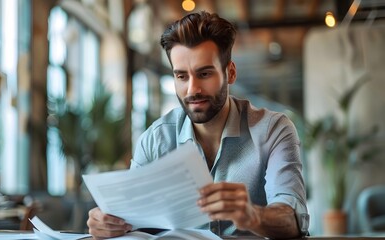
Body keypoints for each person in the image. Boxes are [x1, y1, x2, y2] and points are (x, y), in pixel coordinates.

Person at [87, 11, 309, 239]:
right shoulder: (155, 140)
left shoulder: (274, 130)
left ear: (230, 73)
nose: (192, 89)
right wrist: (108, 224)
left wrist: (253, 216)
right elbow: (132, 220)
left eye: (204, 73)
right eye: (181, 76)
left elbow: (292, 218)